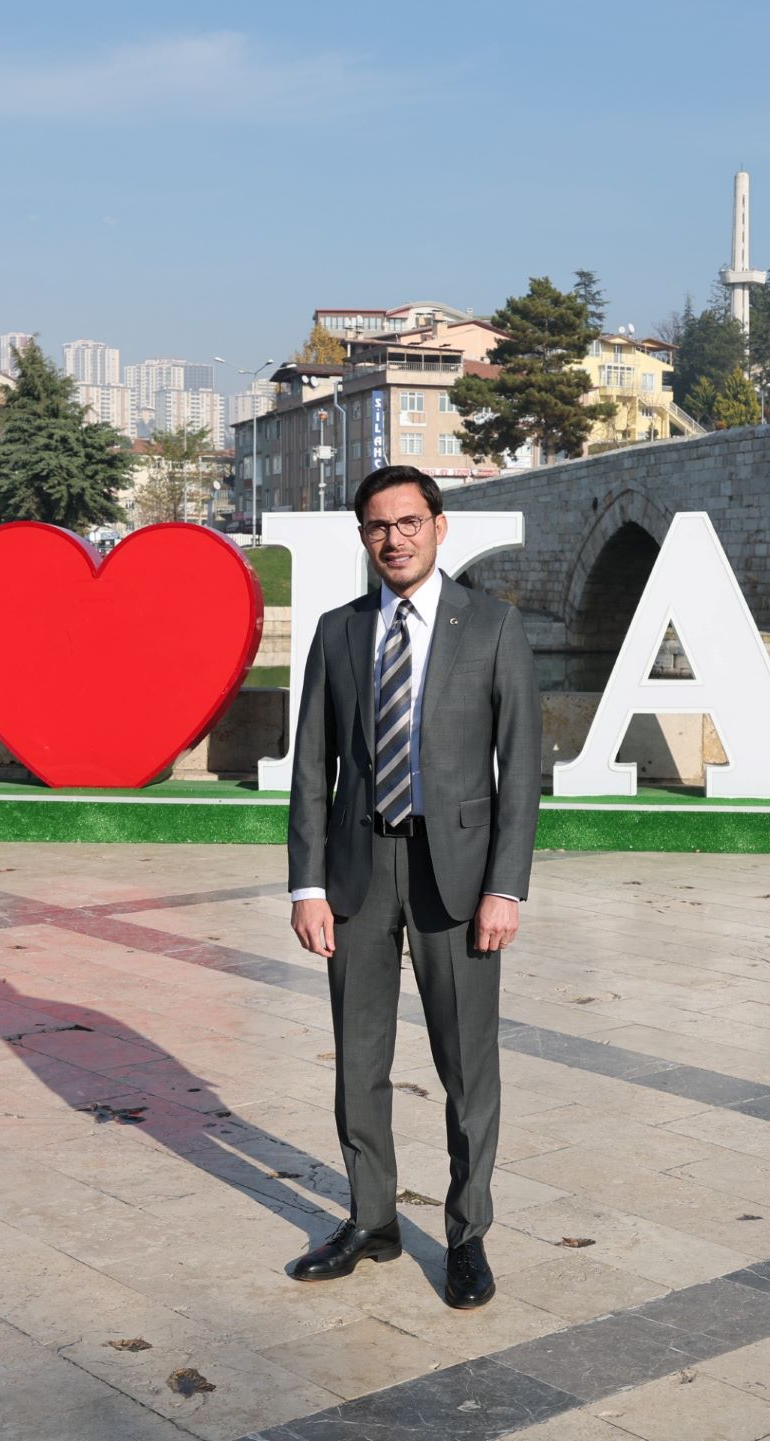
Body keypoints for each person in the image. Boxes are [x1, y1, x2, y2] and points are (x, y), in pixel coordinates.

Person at [285, 464, 540, 1309]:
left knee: (467, 1065)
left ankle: (467, 1235)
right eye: (376, 527)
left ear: (439, 525)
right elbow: (312, 767)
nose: (392, 539)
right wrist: (306, 886)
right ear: (363, 537)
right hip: (359, 873)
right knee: (359, 1060)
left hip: (458, 878)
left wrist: (507, 887)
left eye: (407, 522)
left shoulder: (493, 627)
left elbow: (522, 769)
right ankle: (371, 1219)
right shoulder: (338, 631)